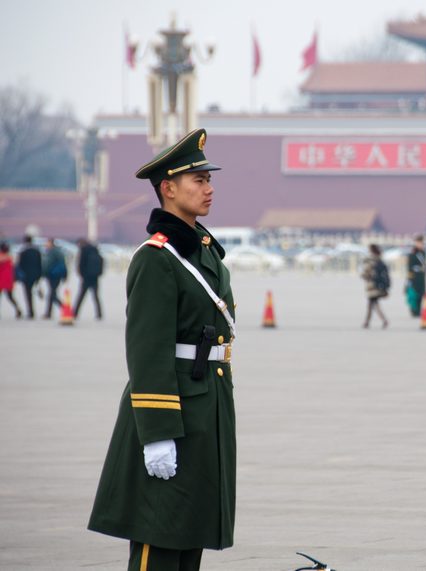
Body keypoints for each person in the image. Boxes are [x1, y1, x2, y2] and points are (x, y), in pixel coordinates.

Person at [88, 128, 237, 571]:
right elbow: (147, 352)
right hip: (172, 412)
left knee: (189, 532)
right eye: (198, 181)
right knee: (160, 536)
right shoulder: (157, 258)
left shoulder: (202, 251)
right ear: (168, 189)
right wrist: (156, 434)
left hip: (206, 405)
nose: (209, 189)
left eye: (209, 180)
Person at [73, 238, 104, 319]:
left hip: (86, 277)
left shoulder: (83, 250)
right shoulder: (95, 249)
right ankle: (99, 314)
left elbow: (81, 263)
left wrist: (82, 274)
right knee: (96, 296)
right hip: (95, 277)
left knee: (81, 296)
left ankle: (75, 313)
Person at [361, 244, 390, 329]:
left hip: (372, 286)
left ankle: (382, 320)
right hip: (378, 286)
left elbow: (366, 272)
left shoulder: (370, 260)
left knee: (373, 303)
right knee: (372, 303)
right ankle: (368, 322)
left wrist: (364, 276)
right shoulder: (379, 259)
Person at [16, 235, 42, 319]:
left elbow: (20, 265)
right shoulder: (37, 251)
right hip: (35, 275)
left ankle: (31, 311)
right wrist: (39, 276)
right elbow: (40, 264)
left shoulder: (23, 252)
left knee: (28, 294)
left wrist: (19, 276)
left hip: (26, 276)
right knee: (30, 292)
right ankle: (31, 311)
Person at [42, 238, 67, 319]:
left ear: (51, 243)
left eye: (47, 242)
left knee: (52, 294)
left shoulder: (52, 252)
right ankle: (49, 312)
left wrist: (44, 273)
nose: (45, 244)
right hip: (57, 275)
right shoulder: (58, 251)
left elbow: (48, 264)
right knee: (52, 293)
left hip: (53, 275)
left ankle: (63, 308)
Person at [0, 242, 23, 318]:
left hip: (2, 279)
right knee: (10, 296)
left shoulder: (2, 257)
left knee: (8, 296)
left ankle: (18, 310)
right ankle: (18, 309)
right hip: (9, 279)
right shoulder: (11, 257)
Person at [406, 235, 426, 317]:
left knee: (421, 294)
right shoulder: (413, 254)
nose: (421, 245)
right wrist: (410, 279)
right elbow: (410, 267)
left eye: (421, 243)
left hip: (421, 277)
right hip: (414, 277)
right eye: (419, 243)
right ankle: (414, 311)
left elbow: (424, 265)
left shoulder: (423, 253)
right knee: (414, 294)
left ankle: (418, 311)